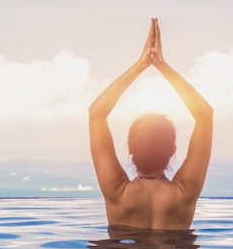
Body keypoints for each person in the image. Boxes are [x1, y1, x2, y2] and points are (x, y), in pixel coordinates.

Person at [89, 18, 213, 230]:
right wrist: (162, 66)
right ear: (173, 150)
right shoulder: (184, 193)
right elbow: (205, 115)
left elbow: (96, 114)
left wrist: (141, 65)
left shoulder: (117, 193)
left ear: (130, 147)